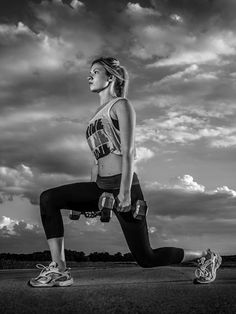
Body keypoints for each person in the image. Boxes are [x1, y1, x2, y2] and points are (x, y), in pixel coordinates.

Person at [28, 57, 221, 287]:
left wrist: (126, 192)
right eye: (90, 72)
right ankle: (59, 270)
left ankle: (205, 256)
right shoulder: (94, 117)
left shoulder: (121, 105)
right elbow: (97, 159)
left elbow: (129, 151)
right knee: (49, 199)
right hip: (101, 187)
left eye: (96, 71)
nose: (89, 76)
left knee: (146, 257)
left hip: (124, 186)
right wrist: (91, 199)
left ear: (110, 77)